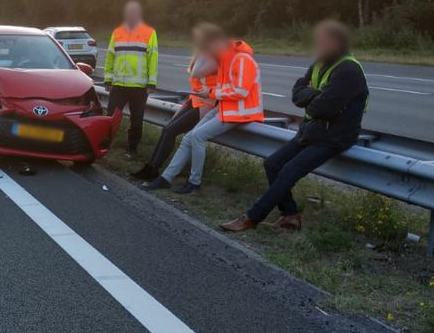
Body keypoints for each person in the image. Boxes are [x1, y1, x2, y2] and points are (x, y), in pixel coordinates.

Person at [221, 20, 368, 232]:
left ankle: (252, 218)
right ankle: (290, 215)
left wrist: (312, 97)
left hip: (334, 135)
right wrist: (314, 95)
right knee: (272, 164)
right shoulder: (320, 63)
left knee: (289, 170)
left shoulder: (348, 69)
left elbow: (322, 108)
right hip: (313, 130)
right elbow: (297, 93)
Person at [142, 24, 263, 193]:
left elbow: (241, 91)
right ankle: (166, 178)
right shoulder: (227, 61)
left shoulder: (242, 60)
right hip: (226, 108)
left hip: (239, 113)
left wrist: (211, 92)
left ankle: (194, 183)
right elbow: (205, 76)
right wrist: (212, 93)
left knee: (197, 137)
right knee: (188, 139)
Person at [132, 24, 219, 180]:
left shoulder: (213, 57)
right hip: (194, 99)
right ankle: (150, 167)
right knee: (167, 130)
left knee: (171, 131)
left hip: (206, 104)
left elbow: (196, 72)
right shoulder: (203, 54)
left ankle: (153, 169)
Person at [104, 1, 158, 157]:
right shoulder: (117, 32)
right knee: (111, 117)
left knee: (136, 120)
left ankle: (132, 148)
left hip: (139, 86)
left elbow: (153, 58)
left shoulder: (149, 32)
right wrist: (108, 79)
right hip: (119, 85)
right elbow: (110, 56)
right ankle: (105, 144)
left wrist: (151, 82)